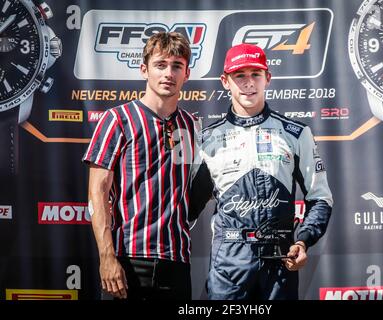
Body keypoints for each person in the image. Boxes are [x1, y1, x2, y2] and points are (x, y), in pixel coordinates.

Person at [189, 43, 333, 299]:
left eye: (255, 74)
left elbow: (320, 197)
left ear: (268, 77)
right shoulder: (207, 139)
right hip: (229, 260)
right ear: (225, 81)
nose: (248, 83)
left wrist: (302, 241)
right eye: (239, 76)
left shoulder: (296, 133)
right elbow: (188, 209)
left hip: (280, 257)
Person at [82, 32, 200, 300]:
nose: (168, 73)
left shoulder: (191, 126)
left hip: (176, 261)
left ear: (186, 74)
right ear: (144, 70)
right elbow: (97, 195)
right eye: (160, 65)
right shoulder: (117, 120)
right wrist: (107, 258)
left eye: (176, 66)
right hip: (127, 260)